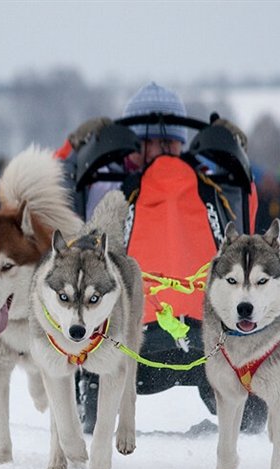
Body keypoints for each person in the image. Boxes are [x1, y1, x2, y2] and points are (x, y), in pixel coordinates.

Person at [60, 81, 267, 435]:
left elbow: (60, 198)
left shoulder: (113, 186)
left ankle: (94, 399)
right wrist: (237, 151)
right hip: (198, 339)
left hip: (153, 339)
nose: (166, 149)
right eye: (157, 141)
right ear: (136, 144)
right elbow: (246, 212)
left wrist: (73, 151)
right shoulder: (204, 187)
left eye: (171, 141)